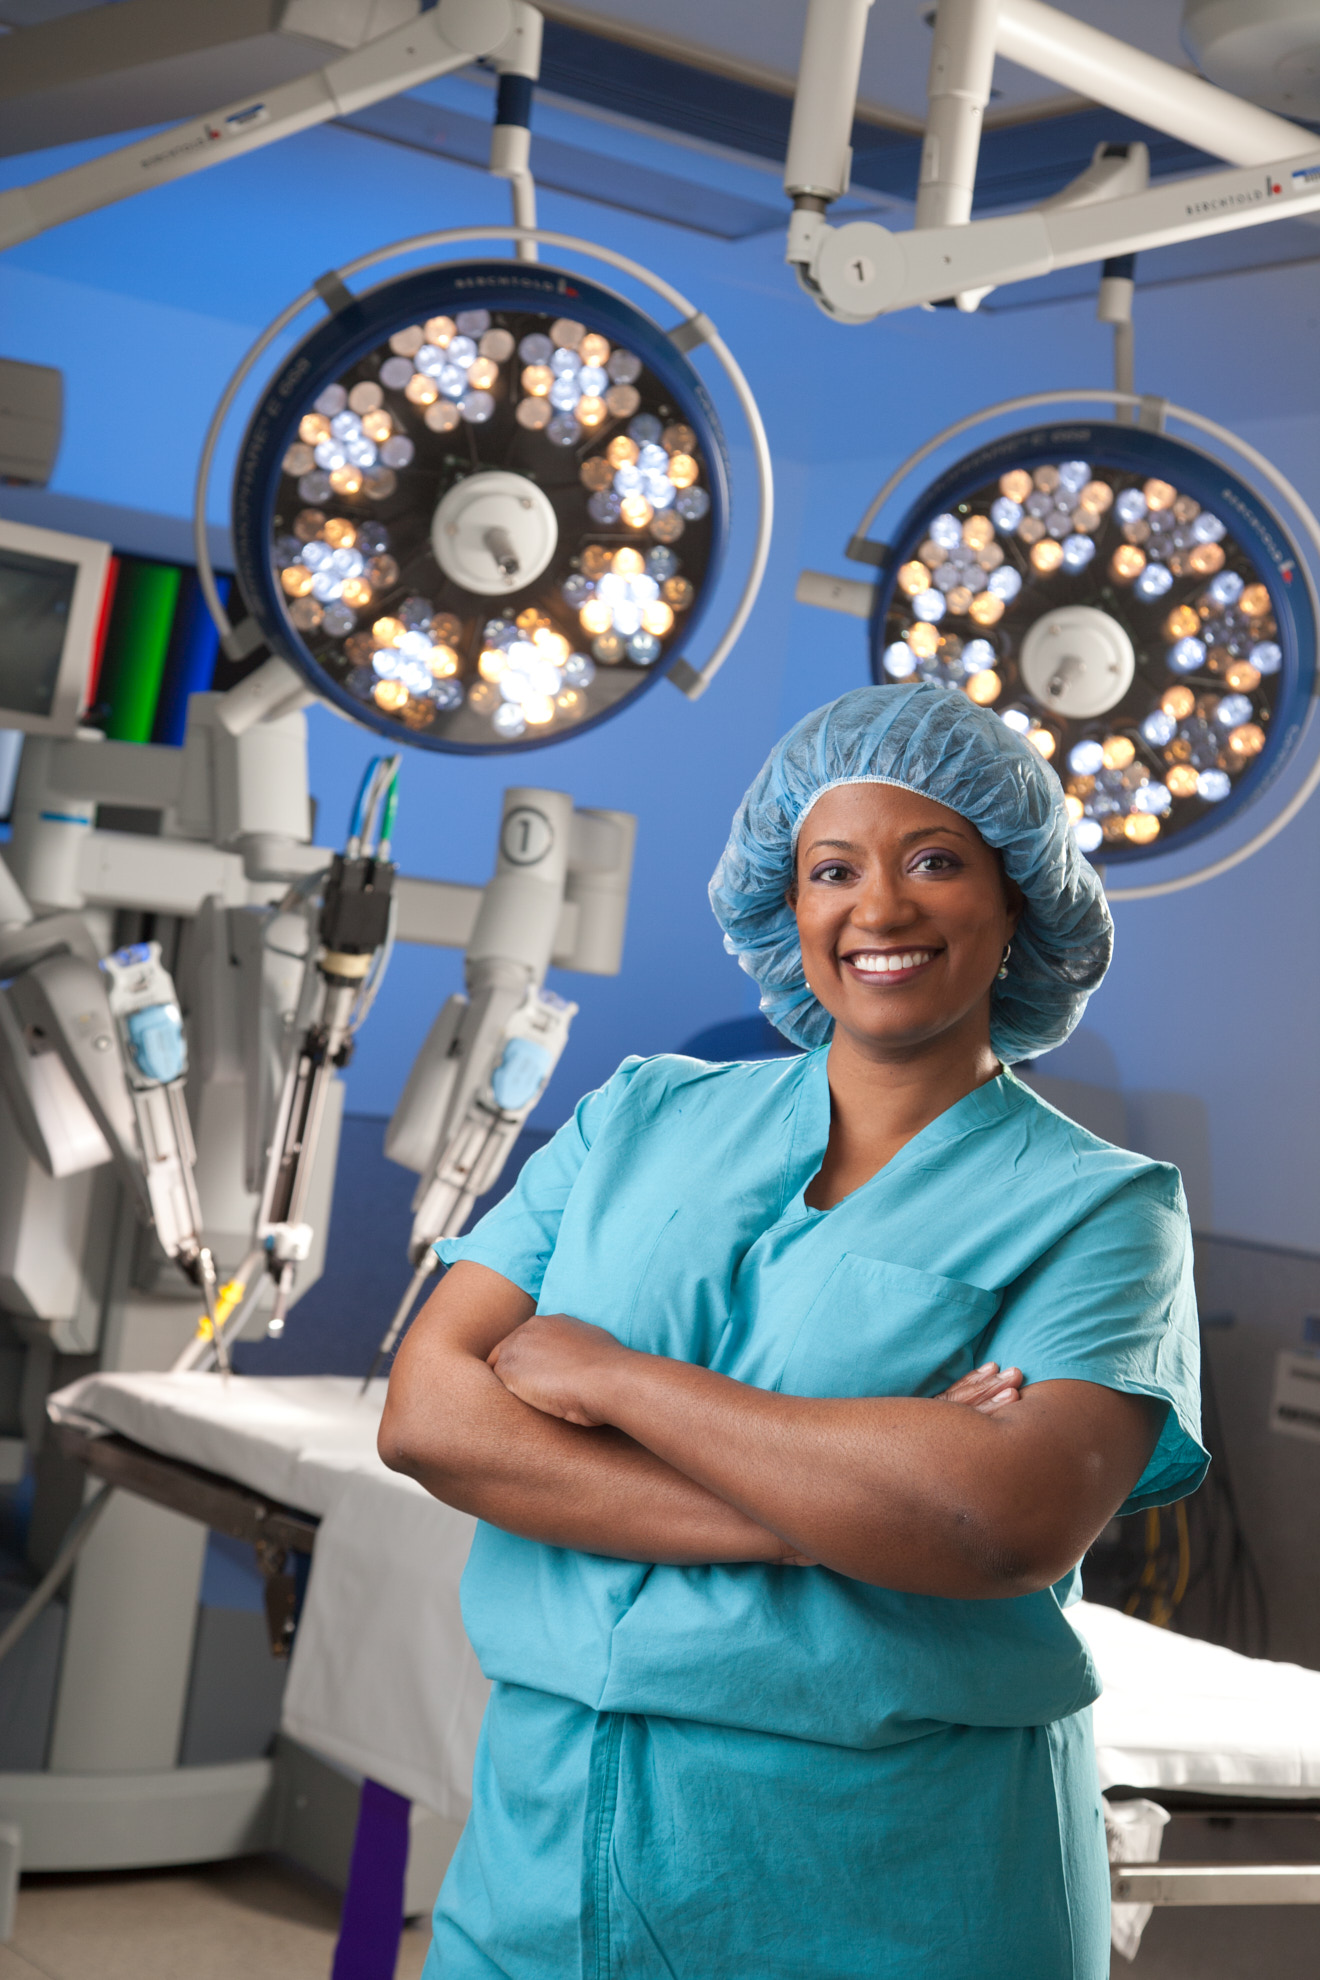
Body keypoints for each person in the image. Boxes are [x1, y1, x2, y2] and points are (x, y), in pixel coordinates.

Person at [380, 681, 1207, 1980]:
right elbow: (428, 1416)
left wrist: (613, 1378)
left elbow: (1002, 1524)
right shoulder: (634, 1117)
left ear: (1019, 905)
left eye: (935, 861)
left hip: (894, 1878)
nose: (879, 909)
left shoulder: (1103, 1210)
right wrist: (842, 1507)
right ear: (789, 901)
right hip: (545, 1862)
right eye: (834, 870)